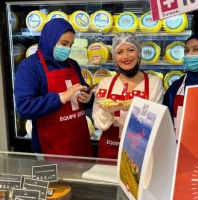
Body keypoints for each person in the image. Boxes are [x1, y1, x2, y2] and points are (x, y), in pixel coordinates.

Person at [14, 18, 94, 157]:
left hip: (80, 142)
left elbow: (83, 91)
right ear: (50, 39)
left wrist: (88, 98)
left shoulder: (72, 64)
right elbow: (25, 107)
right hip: (51, 146)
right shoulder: (30, 67)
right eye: (64, 43)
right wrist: (61, 97)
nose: (67, 49)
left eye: (70, 45)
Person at [93, 33, 164, 159]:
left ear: (139, 53)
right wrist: (109, 111)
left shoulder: (154, 82)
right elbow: (99, 124)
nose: (126, 56)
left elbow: (155, 121)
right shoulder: (105, 83)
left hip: (141, 146)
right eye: (120, 52)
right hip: (109, 146)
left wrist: (135, 110)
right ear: (115, 57)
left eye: (131, 50)